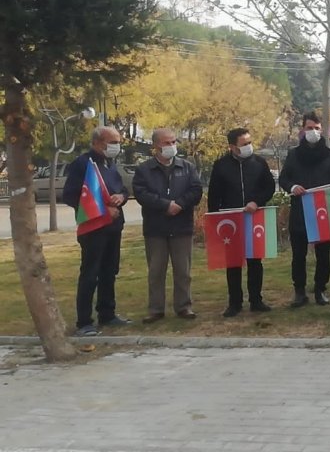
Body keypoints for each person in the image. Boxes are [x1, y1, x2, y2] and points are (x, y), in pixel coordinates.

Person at [62, 127, 131, 336]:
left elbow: (122, 189)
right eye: (113, 141)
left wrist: (121, 197)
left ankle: (107, 313)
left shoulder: (110, 163)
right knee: (90, 274)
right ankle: (84, 321)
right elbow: (71, 195)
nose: (116, 146)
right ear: (99, 142)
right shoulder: (83, 164)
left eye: (117, 142)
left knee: (110, 271)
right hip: (93, 228)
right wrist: (102, 209)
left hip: (113, 227)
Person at [132, 128, 203, 323]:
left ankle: (184, 306)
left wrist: (180, 204)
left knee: (183, 270)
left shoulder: (187, 167)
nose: (171, 146)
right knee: (156, 271)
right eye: (166, 143)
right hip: (156, 228)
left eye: (173, 142)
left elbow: (196, 190)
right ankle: (155, 309)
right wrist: (165, 205)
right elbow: (141, 193)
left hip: (182, 227)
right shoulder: (144, 170)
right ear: (155, 146)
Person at [278, 112, 330, 308]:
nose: (313, 132)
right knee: (298, 255)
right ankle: (299, 291)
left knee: (323, 255)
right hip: (300, 211)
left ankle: (320, 289)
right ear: (302, 130)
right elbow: (283, 179)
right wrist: (292, 187)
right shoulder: (293, 154)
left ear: (321, 130)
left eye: (316, 128)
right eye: (309, 128)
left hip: (323, 212)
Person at [208, 127, 276, 317]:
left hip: (254, 218)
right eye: (244, 144)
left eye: (249, 142)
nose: (249, 146)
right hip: (231, 220)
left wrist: (257, 201)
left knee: (255, 261)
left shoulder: (259, 163)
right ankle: (234, 302)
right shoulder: (220, 166)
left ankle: (256, 300)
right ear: (232, 147)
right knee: (234, 263)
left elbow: (269, 187)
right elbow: (214, 195)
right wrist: (215, 220)